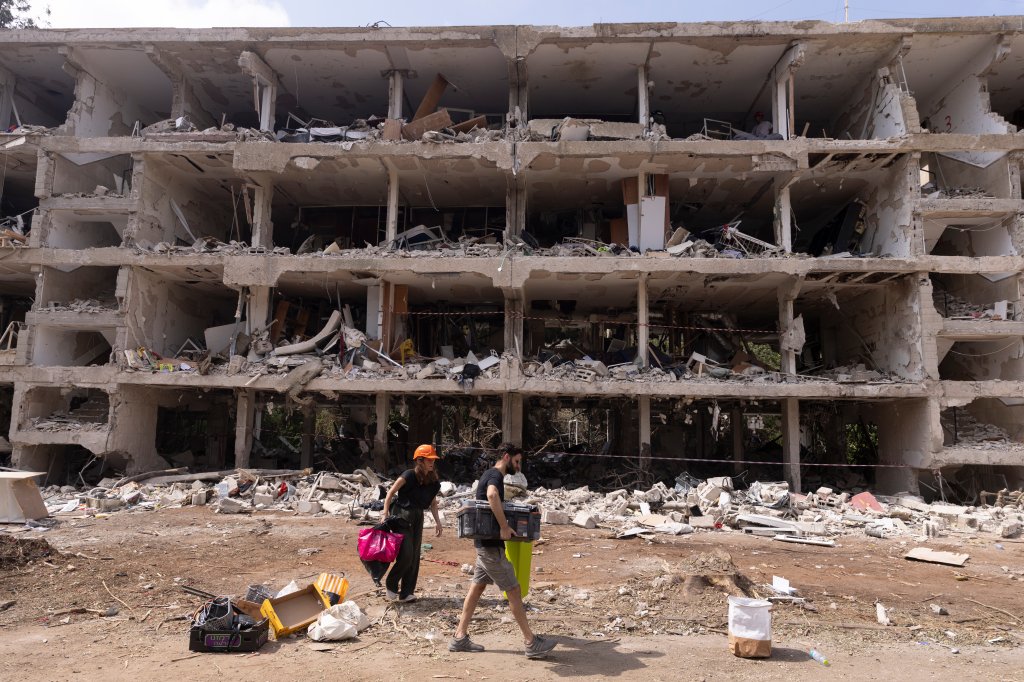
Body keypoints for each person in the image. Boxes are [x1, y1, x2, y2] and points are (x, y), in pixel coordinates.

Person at [449, 444, 556, 659]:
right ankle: (531, 642)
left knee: (477, 588)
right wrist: (504, 527)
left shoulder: (489, 474)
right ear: (506, 457)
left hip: (484, 546)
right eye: (516, 461)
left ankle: (459, 637)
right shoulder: (496, 476)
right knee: (514, 590)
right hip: (490, 549)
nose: (518, 466)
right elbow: (491, 495)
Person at [381, 443, 443, 603]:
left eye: (433, 460)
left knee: (415, 555)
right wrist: (384, 514)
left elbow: (433, 503)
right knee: (407, 554)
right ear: (420, 460)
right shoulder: (408, 475)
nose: (432, 463)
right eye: (429, 460)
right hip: (401, 515)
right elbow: (391, 493)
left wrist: (438, 522)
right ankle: (391, 583)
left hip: (417, 517)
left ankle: (407, 592)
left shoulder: (432, 479)